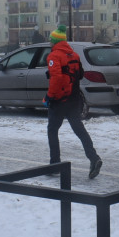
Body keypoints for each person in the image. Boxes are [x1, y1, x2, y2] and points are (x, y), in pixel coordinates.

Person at [45, 25, 102, 178]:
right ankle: (93, 157)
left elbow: (56, 78)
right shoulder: (74, 55)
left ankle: (55, 165)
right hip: (74, 99)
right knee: (79, 129)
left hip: (59, 100)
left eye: (51, 40)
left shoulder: (54, 56)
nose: (49, 42)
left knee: (52, 130)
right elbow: (80, 74)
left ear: (55, 41)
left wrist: (50, 96)